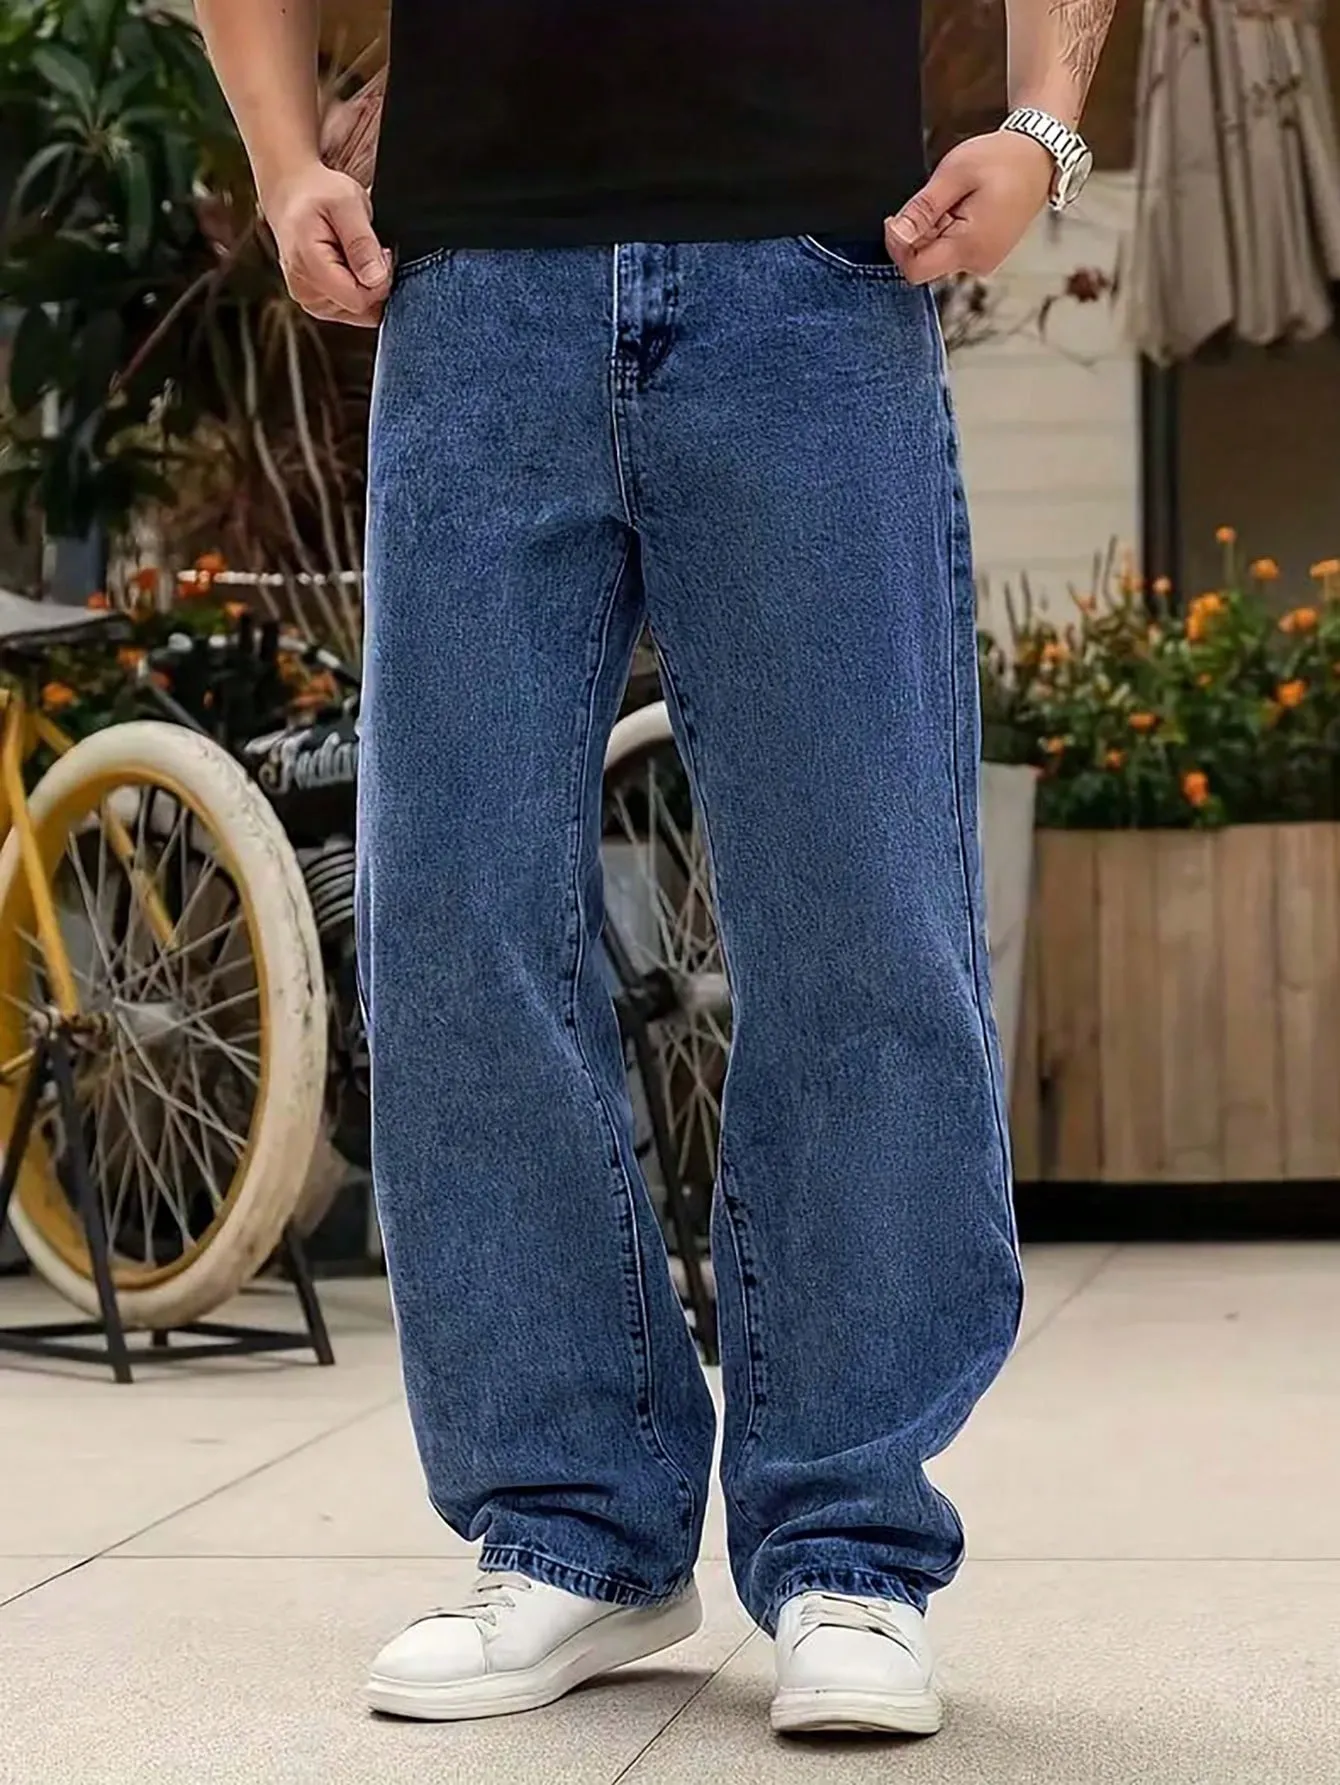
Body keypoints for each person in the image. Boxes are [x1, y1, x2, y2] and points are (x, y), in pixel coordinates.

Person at [198, 0, 1113, 1738]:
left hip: (818, 275)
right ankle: (575, 1527)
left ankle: (849, 1543)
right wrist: (284, 154)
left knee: (862, 916)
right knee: (450, 919)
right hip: (473, 293)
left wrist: (1043, 128)